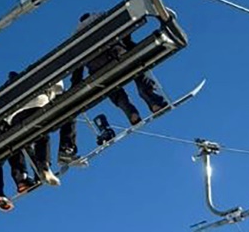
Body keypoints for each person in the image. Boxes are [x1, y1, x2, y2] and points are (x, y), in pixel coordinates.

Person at [58, 12, 169, 163]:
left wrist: (75, 85)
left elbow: (77, 68)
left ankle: (131, 112)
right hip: (118, 55)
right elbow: (124, 32)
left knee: (112, 89)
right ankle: (153, 101)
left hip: (99, 69)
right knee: (138, 72)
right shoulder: (102, 18)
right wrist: (131, 46)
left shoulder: (76, 39)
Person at [0, 71, 62, 212]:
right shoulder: (38, 77)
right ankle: (41, 167)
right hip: (36, 107)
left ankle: (19, 181)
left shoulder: (8, 93)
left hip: (12, 120)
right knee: (38, 134)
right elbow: (59, 89)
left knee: (14, 145)